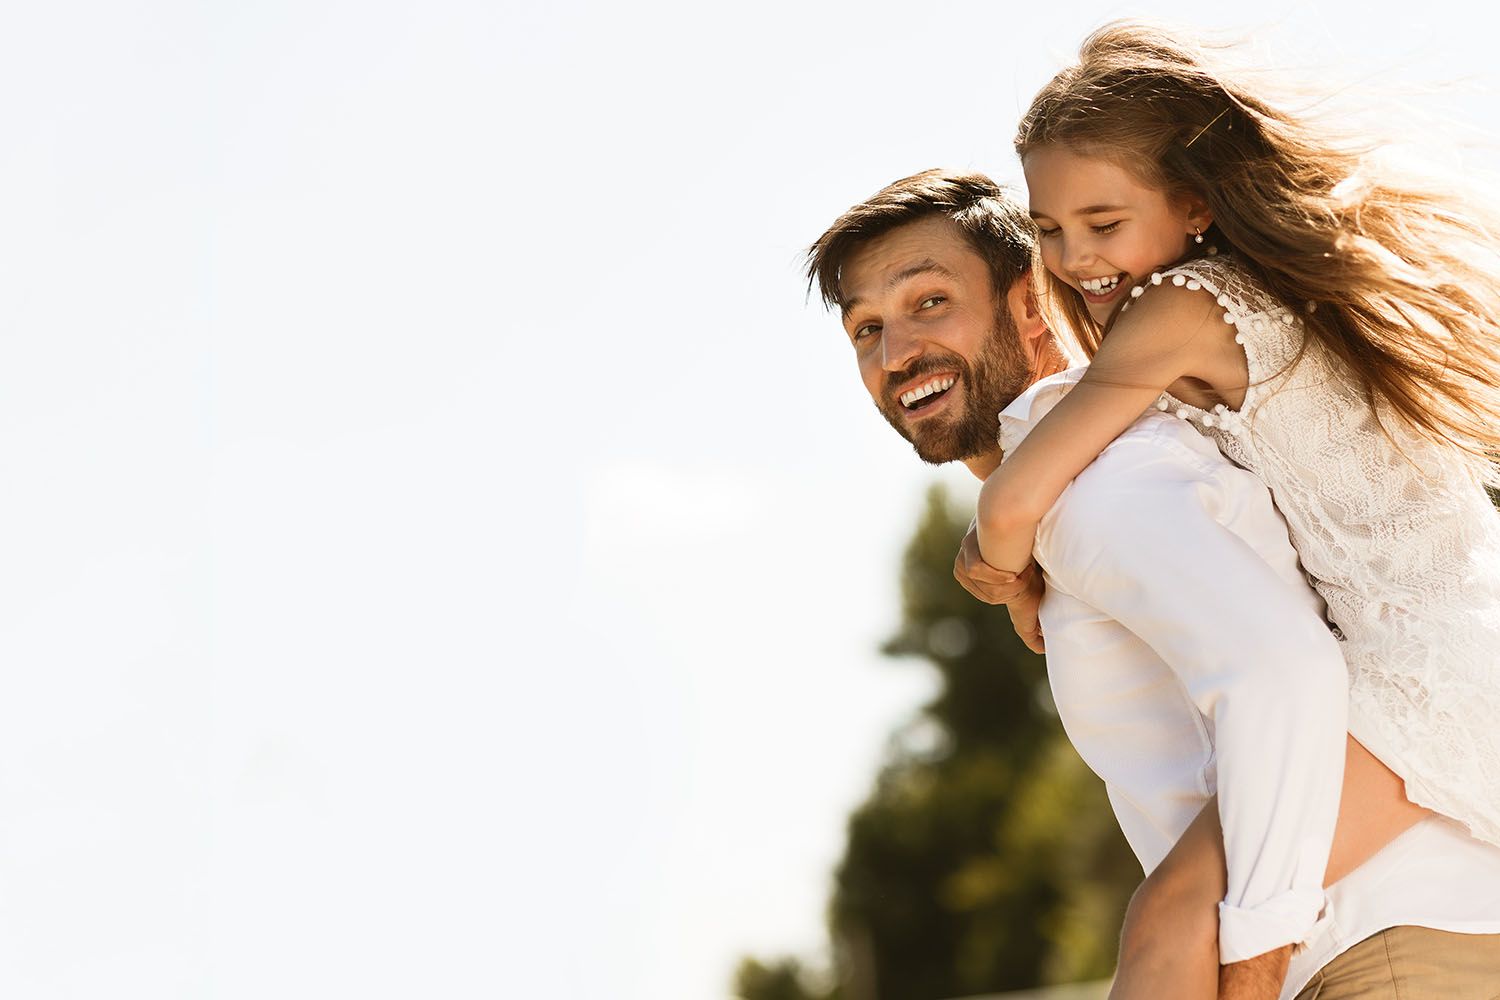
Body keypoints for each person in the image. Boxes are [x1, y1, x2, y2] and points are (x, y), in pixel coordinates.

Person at [806, 168, 1500, 1000]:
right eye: (865, 329)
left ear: (1031, 303)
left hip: (1380, 951)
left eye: (929, 303)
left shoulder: (1103, 487)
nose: (895, 353)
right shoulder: (1088, 477)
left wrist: (1247, 965)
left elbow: (1282, 675)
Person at [964, 21, 1500, 995]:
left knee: (1179, 920)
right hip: (1454, 652)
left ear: (1194, 205)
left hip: (1421, 677)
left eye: (1103, 221)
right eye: (1047, 229)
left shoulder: (1180, 307)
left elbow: (1012, 503)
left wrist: (1000, 571)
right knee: (1194, 918)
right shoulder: (1264, 299)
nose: (1076, 256)